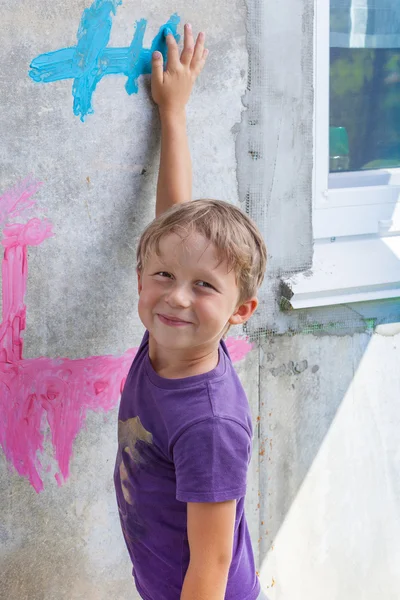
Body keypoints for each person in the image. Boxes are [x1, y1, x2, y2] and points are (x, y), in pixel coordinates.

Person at [114, 23, 269, 600]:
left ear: (240, 311)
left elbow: (212, 564)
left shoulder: (209, 425)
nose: (177, 296)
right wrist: (172, 112)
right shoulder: (172, 334)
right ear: (142, 276)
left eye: (204, 285)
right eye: (164, 276)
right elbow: (173, 223)